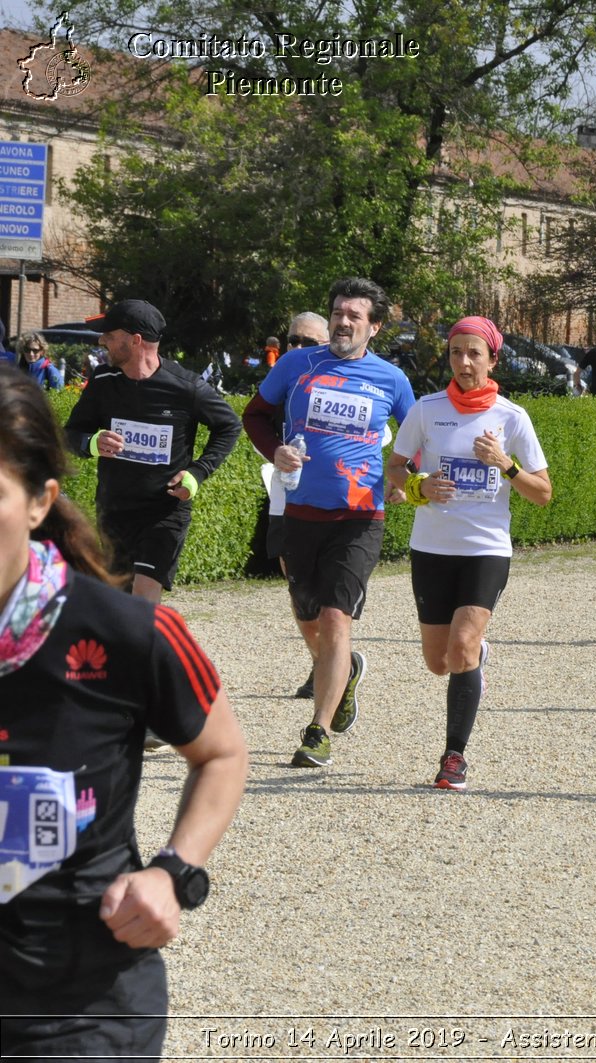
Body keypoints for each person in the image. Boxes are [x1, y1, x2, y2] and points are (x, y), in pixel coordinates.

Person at [0, 368, 248, 1060]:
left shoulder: (127, 632)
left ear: (40, 501)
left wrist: (173, 871)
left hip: (79, 1010)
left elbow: (223, 752)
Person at [242, 277, 416, 768]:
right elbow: (254, 415)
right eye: (338, 312)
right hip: (299, 510)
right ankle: (346, 672)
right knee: (309, 615)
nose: (342, 321)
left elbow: (417, 435)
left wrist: (406, 476)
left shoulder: (392, 380)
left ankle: (317, 730)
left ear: (374, 326)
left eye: (353, 315)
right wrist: (272, 450)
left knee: (338, 618)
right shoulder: (298, 365)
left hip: (360, 516)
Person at [386, 317, 552, 789]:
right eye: (456, 352)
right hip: (432, 548)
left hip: (486, 549)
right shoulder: (426, 409)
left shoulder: (512, 417)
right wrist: (420, 485)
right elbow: (395, 469)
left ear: (493, 359)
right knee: (439, 662)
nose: (463, 362)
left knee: (461, 648)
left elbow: (542, 493)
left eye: (474, 353)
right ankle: (474, 655)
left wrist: (507, 464)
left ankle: (453, 758)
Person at [62, 300, 242, 604]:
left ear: (135, 340)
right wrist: (92, 443)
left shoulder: (186, 387)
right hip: (115, 510)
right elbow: (70, 434)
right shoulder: (103, 382)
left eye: (109, 333)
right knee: (119, 604)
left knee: (144, 597)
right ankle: (146, 649)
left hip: (164, 512)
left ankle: (149, 647)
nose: (102, 340)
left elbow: (229, 426)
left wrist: (197, 474)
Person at [262, 315, 332, 699]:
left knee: (330, 592)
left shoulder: (345, 382)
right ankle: (322, 662)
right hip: (285, 500)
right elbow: (254, 424)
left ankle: (332, 665)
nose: (298, 348)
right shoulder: (278, 384)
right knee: (299, 591)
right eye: (293, 339)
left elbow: (381, 432)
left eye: (308, 341)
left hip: (335, 504)